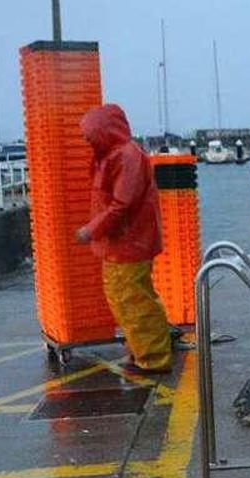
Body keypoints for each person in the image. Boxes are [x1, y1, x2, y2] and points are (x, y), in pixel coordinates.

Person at [75, 104, 172, 374]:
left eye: (89, 134)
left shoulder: (126, 156)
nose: (86, 140)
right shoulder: (113, 155)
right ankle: (142, 351)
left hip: (129, 243)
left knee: (134, 301)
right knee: (128, 300)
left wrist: (91, 230)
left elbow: (122, 204)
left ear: (103, 132)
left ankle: (153, 358)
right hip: (120, 244)